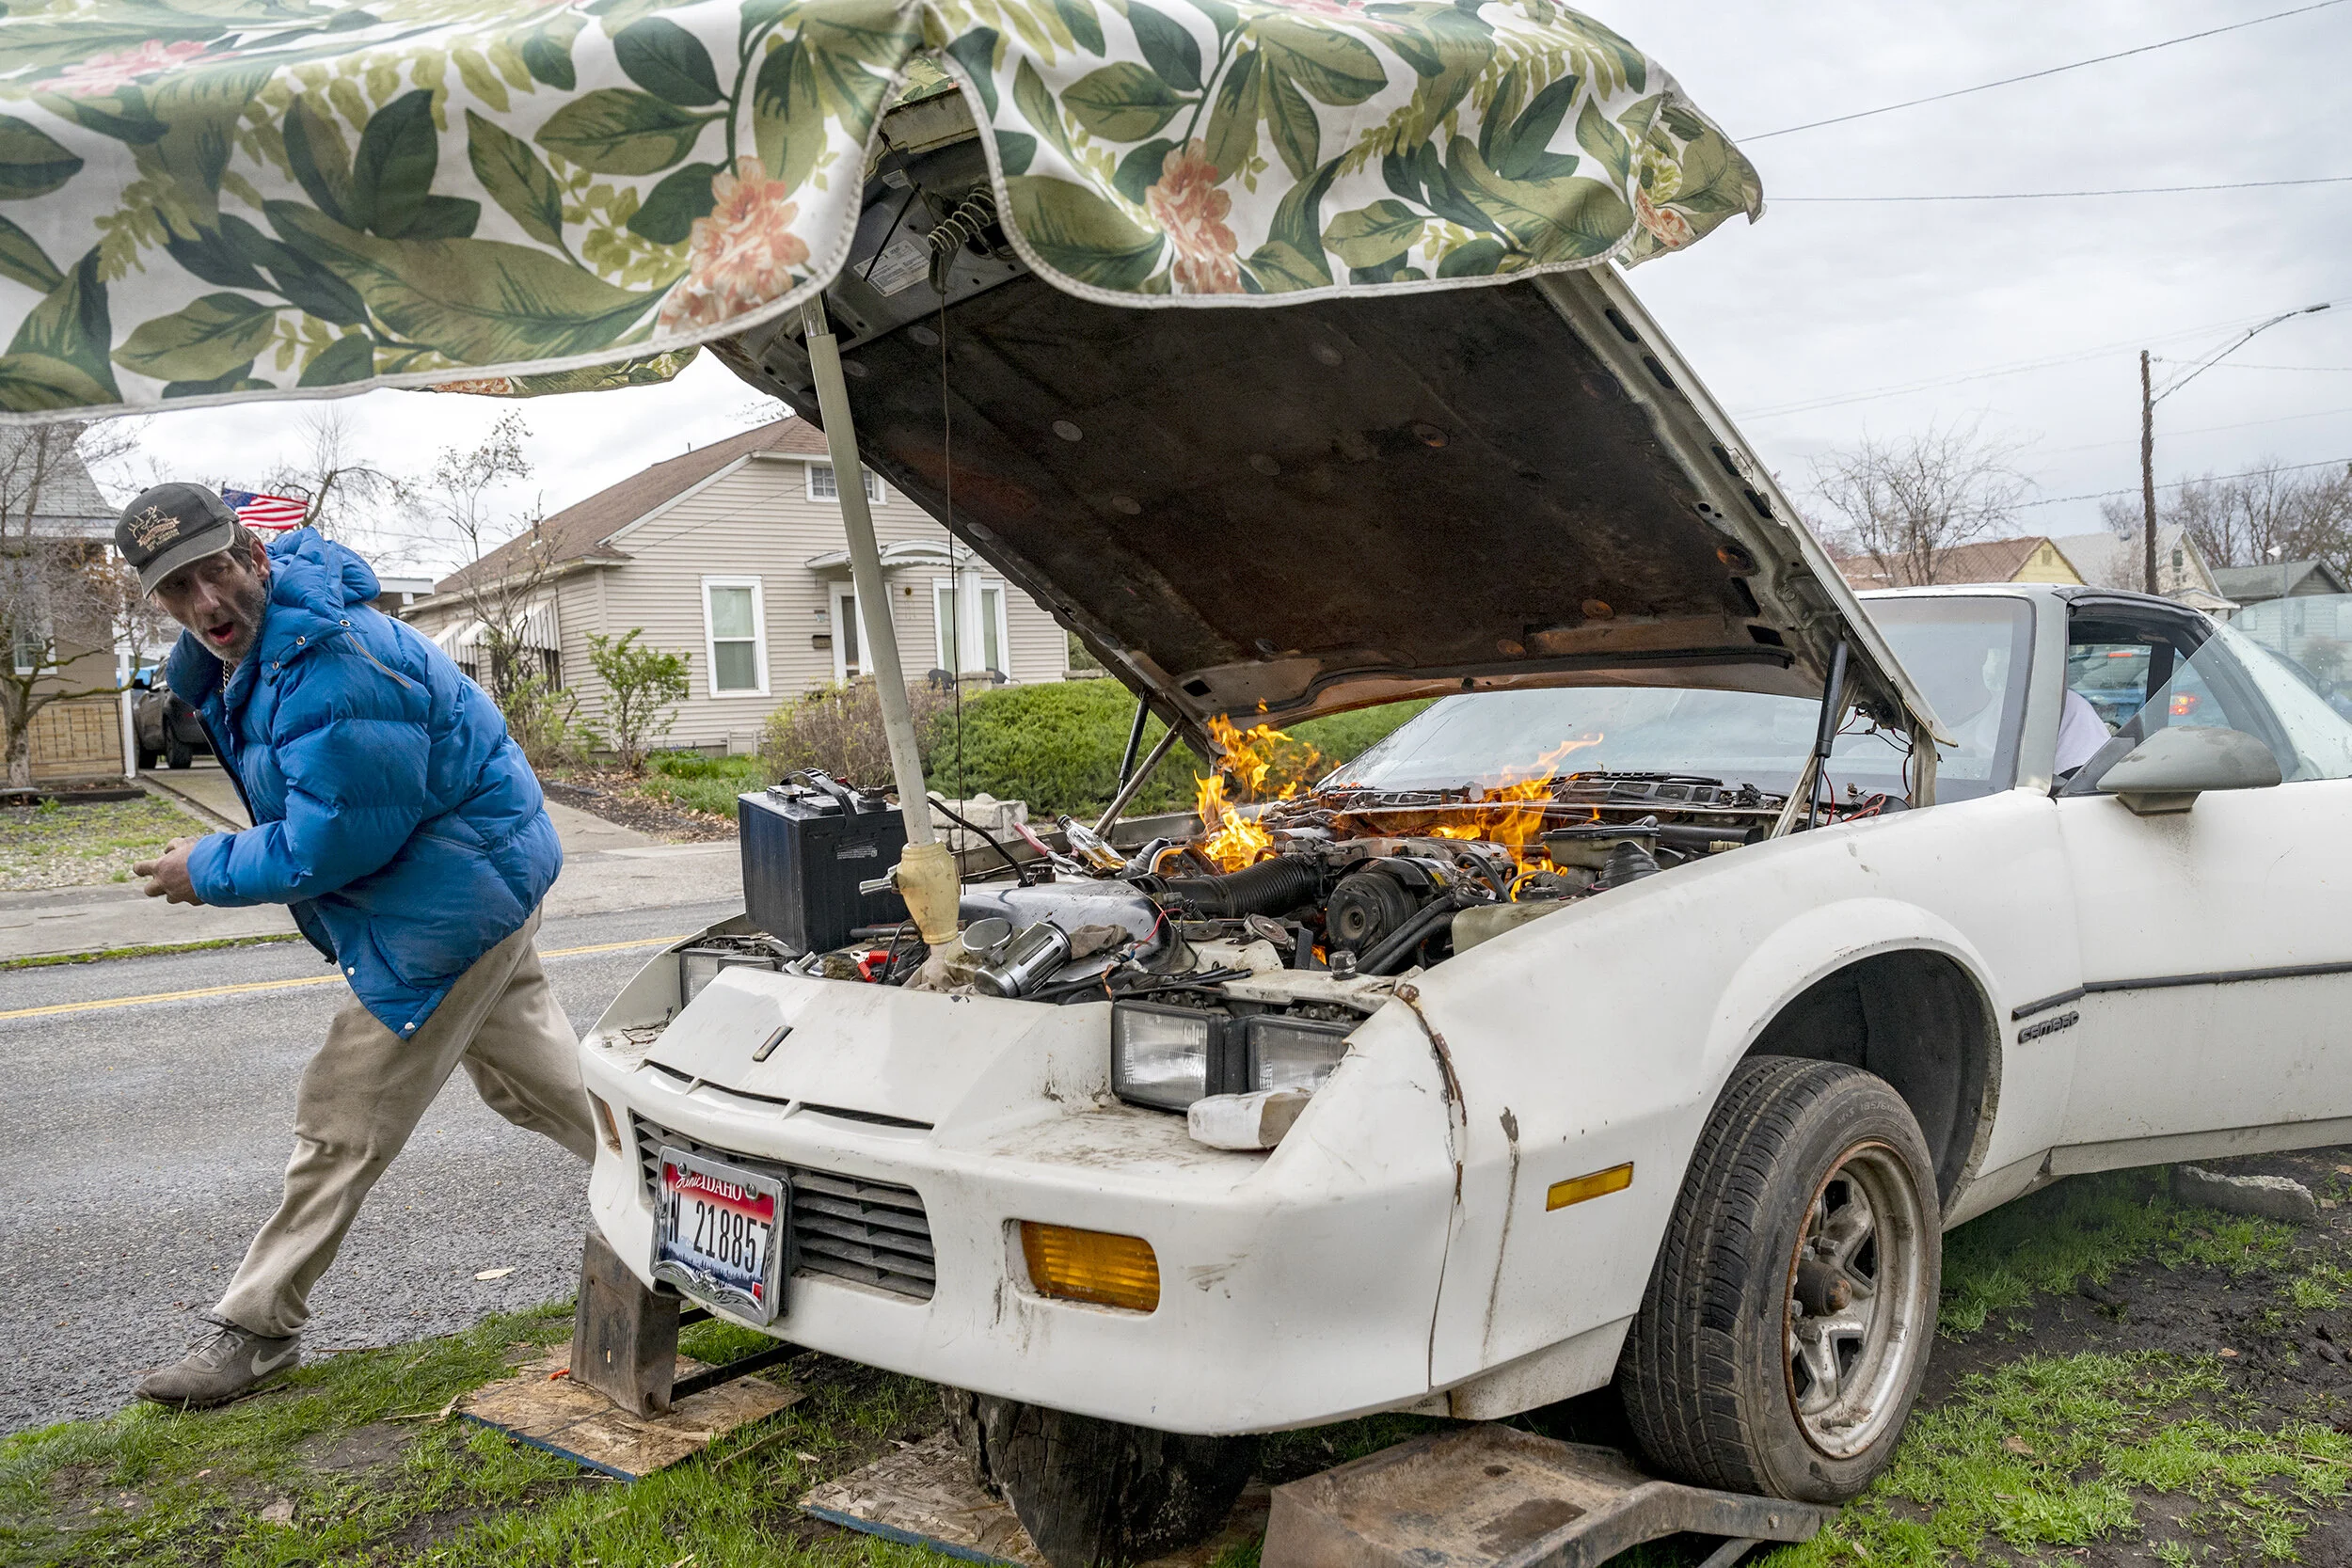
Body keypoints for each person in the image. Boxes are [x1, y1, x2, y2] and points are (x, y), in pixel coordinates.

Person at [115, 483, 595, 1409]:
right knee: (553, 1087)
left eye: (216, 571)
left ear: (253, 556)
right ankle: (708, 1203)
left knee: (343, 1113)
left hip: (445, 905)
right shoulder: (256, 651)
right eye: (179, 589)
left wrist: (204, 865)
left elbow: (335, 838)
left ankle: (255, 1330)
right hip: (472, 881)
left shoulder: (330, 657)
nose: (206, 604)